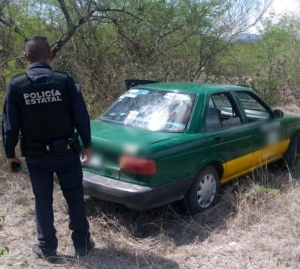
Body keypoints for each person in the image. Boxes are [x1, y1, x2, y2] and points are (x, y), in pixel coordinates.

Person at [2, 35, 94, 262]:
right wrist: (87, 145)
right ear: (50, 56)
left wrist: (10, 154)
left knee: (43, 201)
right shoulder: (65, 81)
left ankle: (48, 248)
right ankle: (82, 245)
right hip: (67, 154)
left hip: (36, 158)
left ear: (26, 57)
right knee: (75, 198)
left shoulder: (17, 85)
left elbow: (10, 125)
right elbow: (81, 117)